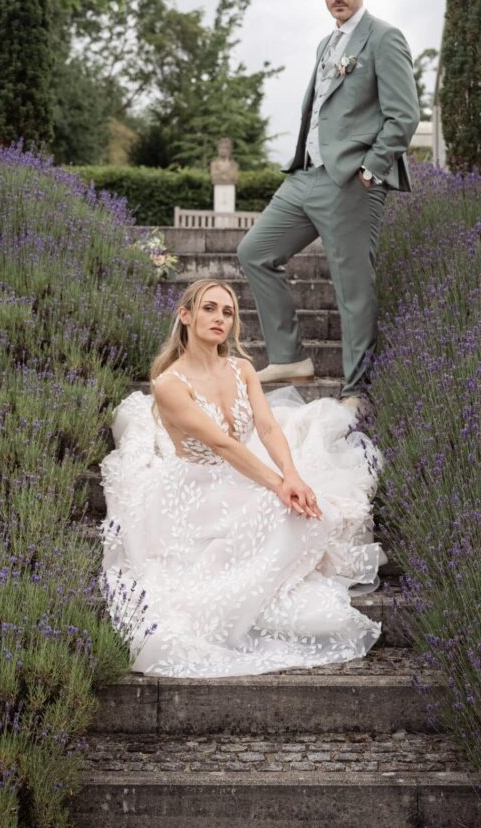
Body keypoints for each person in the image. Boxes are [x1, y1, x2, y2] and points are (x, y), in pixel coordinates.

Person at [99, 278, 385, 678]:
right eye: (209, 308)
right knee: (287, 513)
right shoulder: (168, 384)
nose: (220, 318)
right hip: (194, 492)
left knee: (315, 515)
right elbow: (223, 446)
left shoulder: (242, 368)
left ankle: (267, 570)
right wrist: (278, 485)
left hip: (243, 476)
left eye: (228, 312)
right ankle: (239, 592)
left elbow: (267, 428)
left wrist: (293, 475)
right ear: (185, 315)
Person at [238, 0, 420, 407]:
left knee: (352, 289)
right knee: (255, 252)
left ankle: (356, 390)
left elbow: (404, 115)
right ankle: (290, 356)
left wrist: (370, 169)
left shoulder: (384, 38)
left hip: (352, 183)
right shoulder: (326, 44)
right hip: (305, 176)